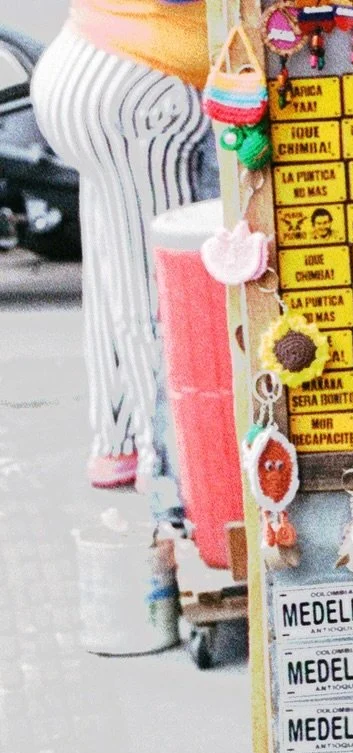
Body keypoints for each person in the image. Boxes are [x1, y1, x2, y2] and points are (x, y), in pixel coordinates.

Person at [30, 2, 212, 489]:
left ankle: (120, 443)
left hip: (90, 62)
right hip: (143, 90)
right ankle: (172, 471)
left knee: (117, 270)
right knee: (157, 293)